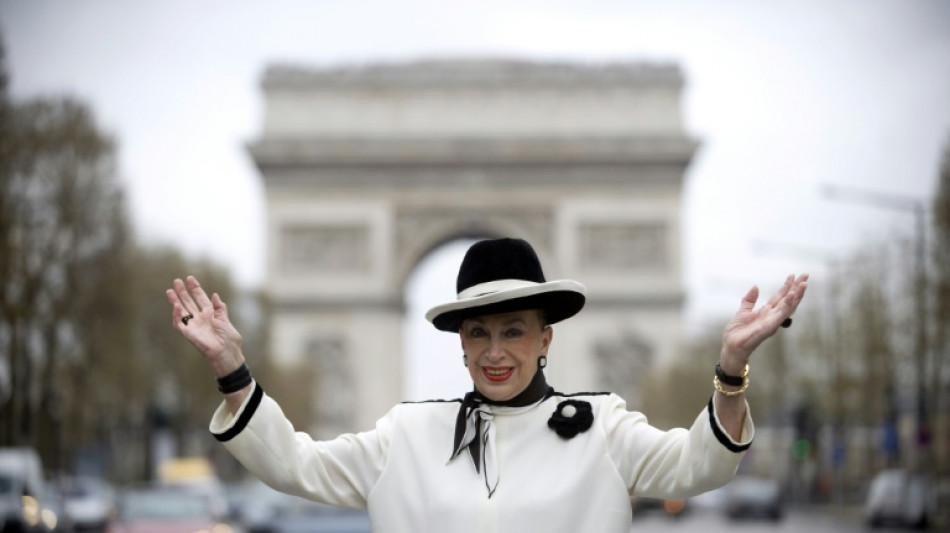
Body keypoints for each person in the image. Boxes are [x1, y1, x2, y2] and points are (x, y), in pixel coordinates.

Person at [166, 237, 807, 533]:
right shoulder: (407, 435)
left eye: (514, 331)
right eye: (478, 333)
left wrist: (730, 370)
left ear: (546, 337)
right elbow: (295, 466)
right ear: (461, 342)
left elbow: (703, 466)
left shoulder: (605, 428)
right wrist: (231, 369)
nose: (495, 352)